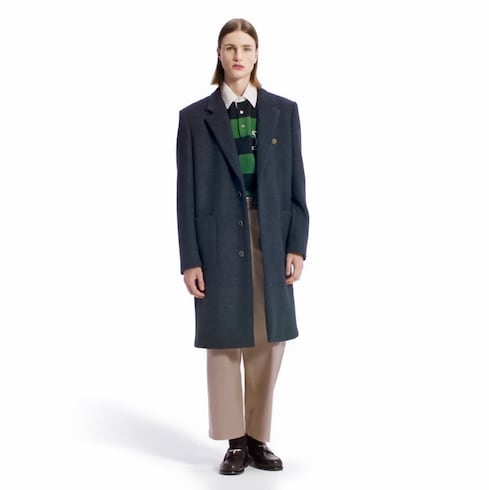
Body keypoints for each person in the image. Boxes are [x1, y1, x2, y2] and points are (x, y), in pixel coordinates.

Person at [176, 18, 309, 475]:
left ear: (256, 54)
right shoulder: (194, 118)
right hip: (217, 239)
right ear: (219, 54)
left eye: (246, 47)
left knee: (269, 338)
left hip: (270, 233)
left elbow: (296, 182)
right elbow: (185, 194)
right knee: (223, 339)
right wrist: (190, 258)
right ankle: (234, 442)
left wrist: (297, 245)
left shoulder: (283, 112)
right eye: (230, 47)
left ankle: (257, 438)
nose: (238, 55)